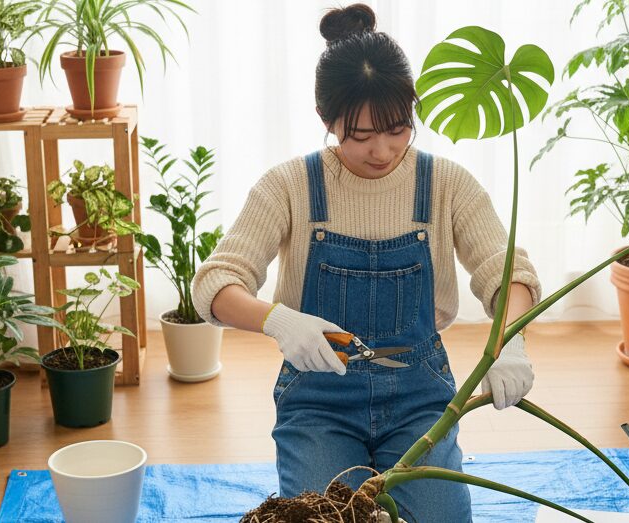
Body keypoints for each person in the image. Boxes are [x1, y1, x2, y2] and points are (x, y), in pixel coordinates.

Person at [191, 4, 541, 521]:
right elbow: (215, 283)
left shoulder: (445, 184)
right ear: (327, 120)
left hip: (421, 396)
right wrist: (278, 320)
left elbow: (507, 273)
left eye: (399, 129)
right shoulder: (290, 186)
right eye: (360, 135)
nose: (383, 150)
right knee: (322, 515)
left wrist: (510, 338)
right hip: (319, 400)